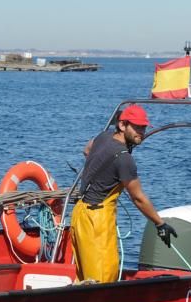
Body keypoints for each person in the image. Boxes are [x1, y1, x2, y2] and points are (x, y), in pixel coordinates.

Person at [70, 104, 176, 283]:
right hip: (97, 221)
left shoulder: (103, 137)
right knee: (103, 279)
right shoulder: (125, 159)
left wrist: (104, 173)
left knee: (84, 277)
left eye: (143, 128)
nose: (140, 132)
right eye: (136, 127)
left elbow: (87, 150)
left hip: (79, 215)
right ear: (122, 125)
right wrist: (160, 224)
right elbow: (138, 198)